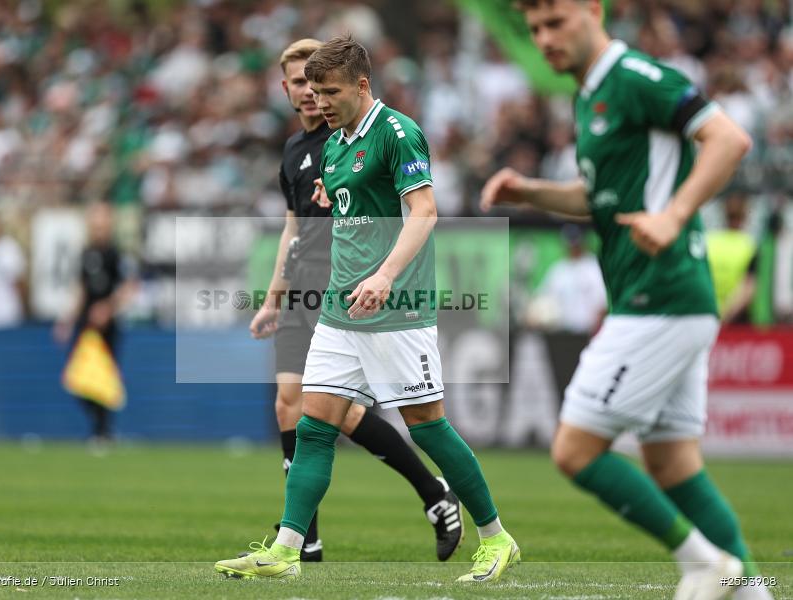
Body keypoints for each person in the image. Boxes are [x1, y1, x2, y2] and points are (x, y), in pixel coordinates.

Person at [480, 2, 770, 599]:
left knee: (574, 450)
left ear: (593, 10)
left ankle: (703, 563)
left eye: (556, 22)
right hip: (667, 301)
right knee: (671, 464)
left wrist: (675, 214)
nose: (544, 39)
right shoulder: (590, 96)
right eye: (535, 29)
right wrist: (531, 191)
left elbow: (728, 138)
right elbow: (599, 199)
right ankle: (753, 593)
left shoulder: (635, 78)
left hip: (657, 297)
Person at [216, 34, 520, 583]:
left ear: (362, 84)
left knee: (426, 428)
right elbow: (353, 213)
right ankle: (287, 551)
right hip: (340, 307)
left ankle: (496, 538)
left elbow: (424, 213)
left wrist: (384, 275)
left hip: (396, 308)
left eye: (330, 90)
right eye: (312, 90)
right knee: (313, 427)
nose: (320, 101)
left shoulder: (398, 133)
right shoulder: (333, 144)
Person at [245, 39, 464, 563]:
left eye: (317, 85)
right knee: (290, 404)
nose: (310, 95)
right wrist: (275, 292)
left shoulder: (354, 136)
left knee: (330, 413)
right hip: (303, 285)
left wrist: (385, 273)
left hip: (347, 283)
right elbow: (293, 224)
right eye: (300, 84)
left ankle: (432, 493)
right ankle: (307, 537)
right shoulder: (295, 151)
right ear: (287, 89)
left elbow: (411, 208)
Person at [54, 202, 136, 446]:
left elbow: (128, 288)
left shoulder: (117, 254)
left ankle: (103, 431)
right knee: (78, 377)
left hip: (108, 327)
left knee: (104, 378)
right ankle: (99, 427)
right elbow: (80, 290)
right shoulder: (86, 254)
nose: (99, 229)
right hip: (86, 325)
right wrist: (67, 320)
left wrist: (108, 308)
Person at [706, 192, 757, 324]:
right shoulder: (749, 245)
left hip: (709, 312)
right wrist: (727, 314)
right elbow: (748, 289)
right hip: (737, 320)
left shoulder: (709, 240)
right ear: (745, 216)